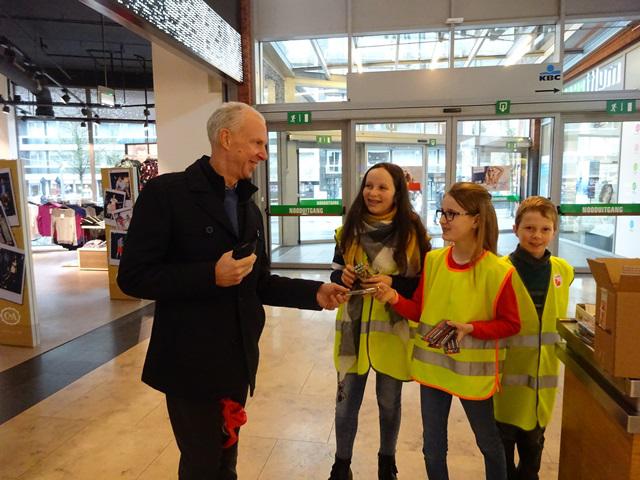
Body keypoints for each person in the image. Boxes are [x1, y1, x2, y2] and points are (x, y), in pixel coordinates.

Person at [117, 101, 348, 480]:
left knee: (226, 459)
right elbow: (134, 277)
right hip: (189, 362)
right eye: (256, 142)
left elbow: (259, 282)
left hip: (236, 360)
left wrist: (315, 293)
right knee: (202, 465)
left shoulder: (247, 205)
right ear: (226, 139)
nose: (262, 153)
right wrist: (210, 275)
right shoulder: (167, 194)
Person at [375, 182, 521, 480]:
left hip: (473, 378)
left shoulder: (498, 271)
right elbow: (420, 311)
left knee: (489, 444)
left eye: (452, 213)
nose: (443, 219)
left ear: (476, 219)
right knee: (432, 448)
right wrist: (393, 298)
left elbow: (511, 324)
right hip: (434, 373)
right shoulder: (434, 261)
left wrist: (472, 328)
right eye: (443, 211)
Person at [328, 163, 431, 480]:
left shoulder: (413, 234)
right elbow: (334, 272)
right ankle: (341, 465)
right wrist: (342, 276)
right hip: (352, 332)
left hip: (392, 331)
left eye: (382, 187)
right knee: (346, 407)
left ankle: (387, 461)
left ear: (397, 192)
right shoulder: (349, 229)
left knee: (389, 403)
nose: (373, 193)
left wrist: (392, 282)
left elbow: (422, 286)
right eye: (368, 186)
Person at [493, 196, 573, 480]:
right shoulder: (499, 270)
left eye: (544, 229)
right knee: (501, 453)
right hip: (505, 381)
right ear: (515, 229)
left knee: (532, 455)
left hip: (542, 383)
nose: (536, 236)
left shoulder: (563, 271)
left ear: (554, 231)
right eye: (529, 228)